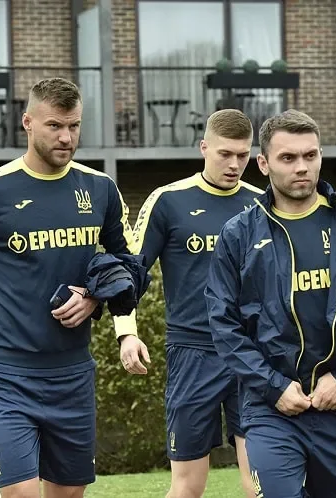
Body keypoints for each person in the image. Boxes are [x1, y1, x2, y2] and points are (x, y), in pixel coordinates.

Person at [0, 77, 148, 498]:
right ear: (27, 122)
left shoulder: (100, 189)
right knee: (21, 492)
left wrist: (96, 298)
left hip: (73, 372)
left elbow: (133, 266)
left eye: (74, 126)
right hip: (6, 374)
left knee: (68, 494)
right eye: (55, 125)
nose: (67, 137)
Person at [204, 109, 336, 498]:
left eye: (310, 155)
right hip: (271, 408)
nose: (301, 167)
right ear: (263, 164)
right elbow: (223, 324)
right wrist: (274, 387)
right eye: (288, 157)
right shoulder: (239, 235)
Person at [116, 109, 261, 498]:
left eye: (243, 155)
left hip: (252, 354)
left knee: (261, 484)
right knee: (188, 488)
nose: (234, 164)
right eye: (225, 154)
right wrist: (126, 332)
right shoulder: (168, 201)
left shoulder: (263, 204)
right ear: (204, 148)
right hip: (192, 352)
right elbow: (130, 272)